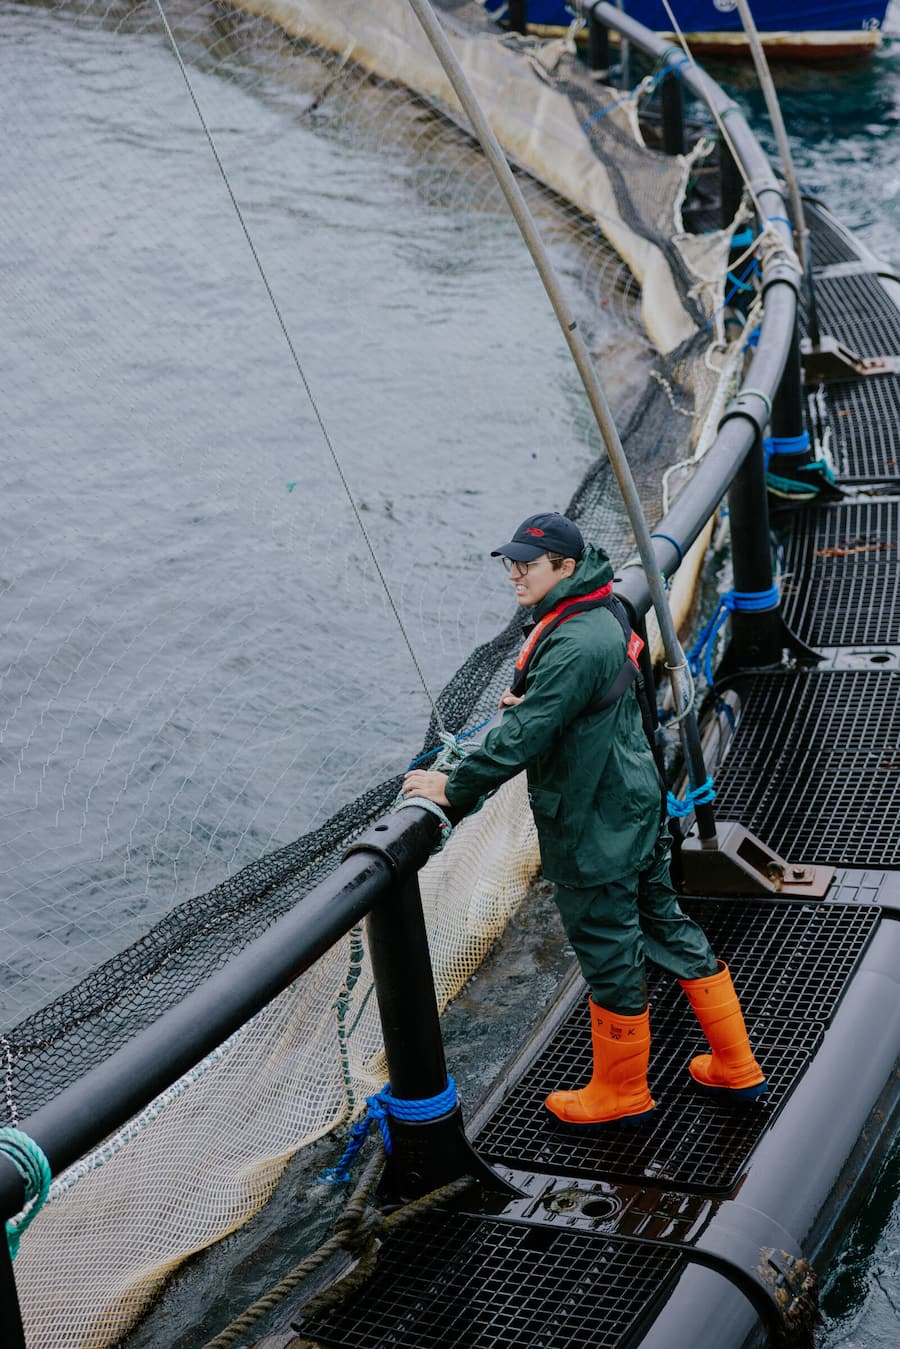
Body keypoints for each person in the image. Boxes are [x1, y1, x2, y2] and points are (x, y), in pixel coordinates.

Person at [401, 511, 766, 1127]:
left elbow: (522, 737)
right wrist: (539, 698)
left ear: (565, 568)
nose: (514, 574)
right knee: (666, 923)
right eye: (511, 563)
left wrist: (450, 789)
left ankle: (623, 1094)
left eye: (528, 565)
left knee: (608, 948)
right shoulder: (603, 610)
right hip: (636, 802)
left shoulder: (571, 639)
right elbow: (571, 702)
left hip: (595, 823)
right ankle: (738, 1065)